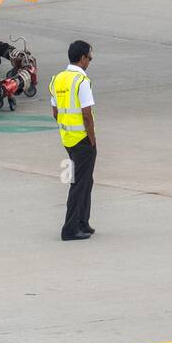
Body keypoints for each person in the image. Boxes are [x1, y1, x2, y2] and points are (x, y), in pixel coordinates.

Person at [51, 40, 97, 241]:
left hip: (67, 139)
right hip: (82, 140)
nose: (90, 61)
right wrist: (92, 138)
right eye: (90, 57)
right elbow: (87, 114)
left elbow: (55, 112)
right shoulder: (81, 81)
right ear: (82, 58)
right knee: (79, 183)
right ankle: (70, 229)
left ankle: (82, 222)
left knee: (85, 180)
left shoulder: (57, 79)